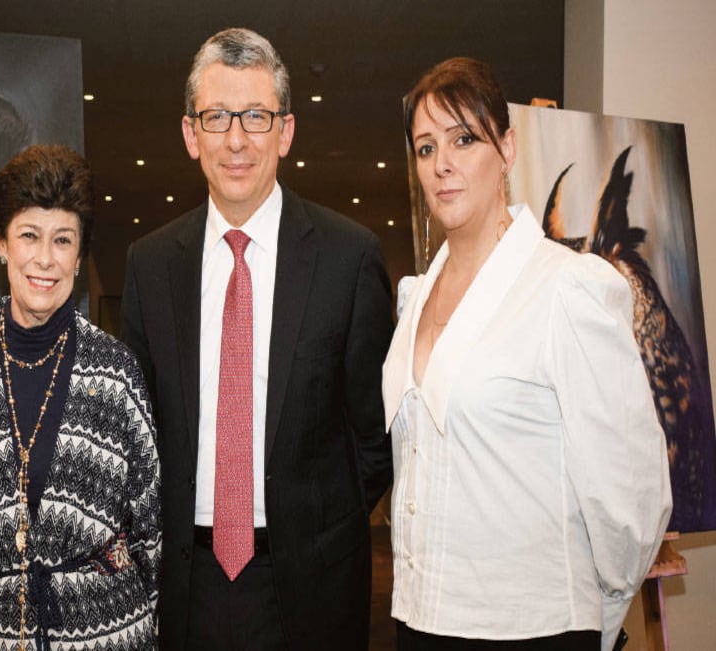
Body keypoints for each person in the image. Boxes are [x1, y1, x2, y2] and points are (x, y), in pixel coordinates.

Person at [382, 57, 672, 651]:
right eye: (426, 148)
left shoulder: (565, 288)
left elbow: (630, 497)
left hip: (530, 629)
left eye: (464, 139)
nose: (442, 164)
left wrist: (594, 617)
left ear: (507, 148)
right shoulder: (414, 298)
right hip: (420, 621)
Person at [121, 27, 394, 650]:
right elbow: (140, 431)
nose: (237, 138)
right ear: (191, 134)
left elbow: (375, 438)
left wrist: (319, 527)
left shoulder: (348, 258)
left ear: (286, 132)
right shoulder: (150, 264)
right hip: (185, 584)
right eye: (217, 116)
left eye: (256, 116)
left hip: (313, 587)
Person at [0, 144, 161, 650]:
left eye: (63, 240)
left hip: (102, 636)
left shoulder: (116, 372)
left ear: (79, 256)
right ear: (1, 243)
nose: (45, 258)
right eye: (28, 236)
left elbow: (147, 527)